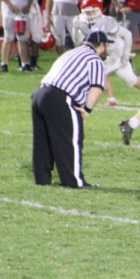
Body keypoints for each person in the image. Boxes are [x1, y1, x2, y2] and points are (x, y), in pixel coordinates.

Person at [31, 31, 109, 188]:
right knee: (71, 140)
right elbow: (97, 88)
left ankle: (42, 179)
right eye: (106, 46)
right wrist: (87, 110)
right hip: (59, 96)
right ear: (101, 46)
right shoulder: (94, 59)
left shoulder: (71, 53)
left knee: (43, 141)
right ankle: (74, 181)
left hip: (39, 94)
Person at [71, 0, 140, 106]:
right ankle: (111, 100)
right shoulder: (81, 22)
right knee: (104, 73)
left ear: (99, 10)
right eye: (87, 12)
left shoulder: (106, 21)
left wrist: (125, 56)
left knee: (130, 80)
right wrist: (74, 29)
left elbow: (127, 35)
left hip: (116, 53)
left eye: (92, 11)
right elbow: (77, 42)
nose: (89, 14)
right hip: (102, 55)